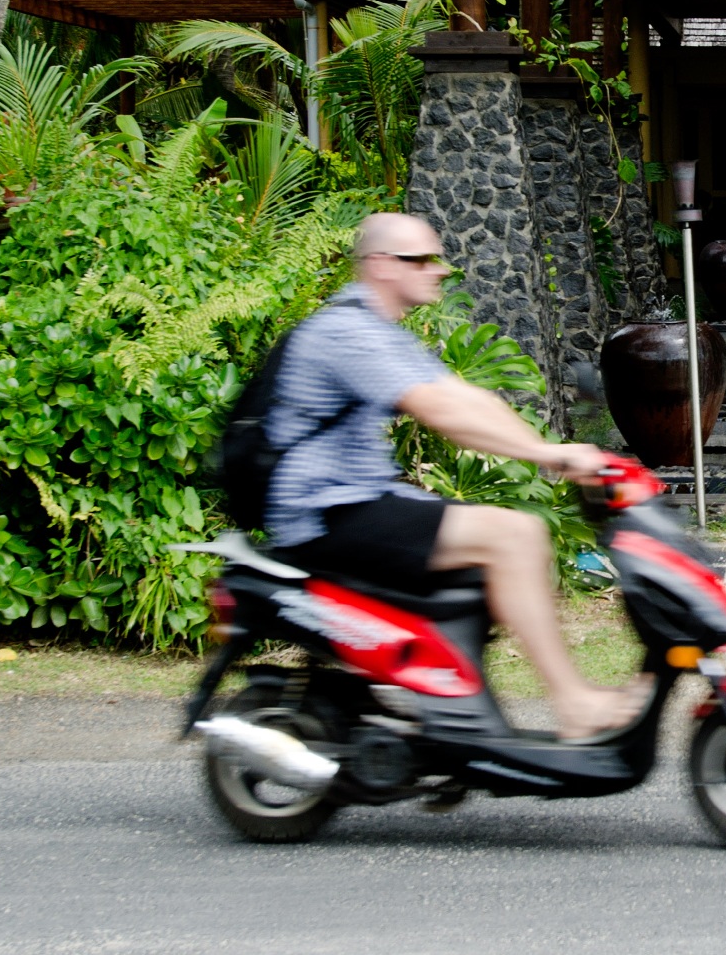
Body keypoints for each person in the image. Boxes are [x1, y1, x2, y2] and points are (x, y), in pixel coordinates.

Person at [265, 212, 635, 738]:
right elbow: (443, 411)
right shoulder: (348, 332)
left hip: (360, 501)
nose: (437, 270)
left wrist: (553, 447)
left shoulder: (380, 329)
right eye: (419, 259)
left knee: (485, 559)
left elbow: (469, 398)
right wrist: (550, 457)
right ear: (378, 265)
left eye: (434, 257)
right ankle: (573, 703)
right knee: (518, 536)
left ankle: (452, 724)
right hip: (329, 515)